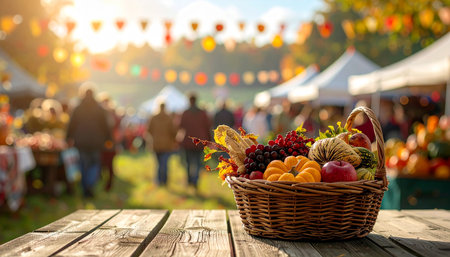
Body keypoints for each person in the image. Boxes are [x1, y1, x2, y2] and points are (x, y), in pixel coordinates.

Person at [66, 84, 111, 198]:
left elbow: (71, 125)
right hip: (96, 141)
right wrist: (108, 139)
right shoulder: (99, 108)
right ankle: (90, 185)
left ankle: (85, 187)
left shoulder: (78, 108)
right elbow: (105, 126)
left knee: (83, 164)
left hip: (81, 141)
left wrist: (68, 138)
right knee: (94, 164)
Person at [179, 93, 211, 189]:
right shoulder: (202, 113)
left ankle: (190, 180)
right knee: (197, 162)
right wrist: (209, 141)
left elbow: (180, 126)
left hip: (188, 142)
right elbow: (208, 127)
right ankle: (195, 181)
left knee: (188, 162)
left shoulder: (185, 113)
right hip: (199, 142)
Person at [147, 102, 178, 186]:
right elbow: (173, 132)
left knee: (158, 164)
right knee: (164, 163)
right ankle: (164, 181)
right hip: (167, 145)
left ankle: (158, 181)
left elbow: (149, 130)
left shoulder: (153, 118)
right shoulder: (169, 118)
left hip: (156, 144)